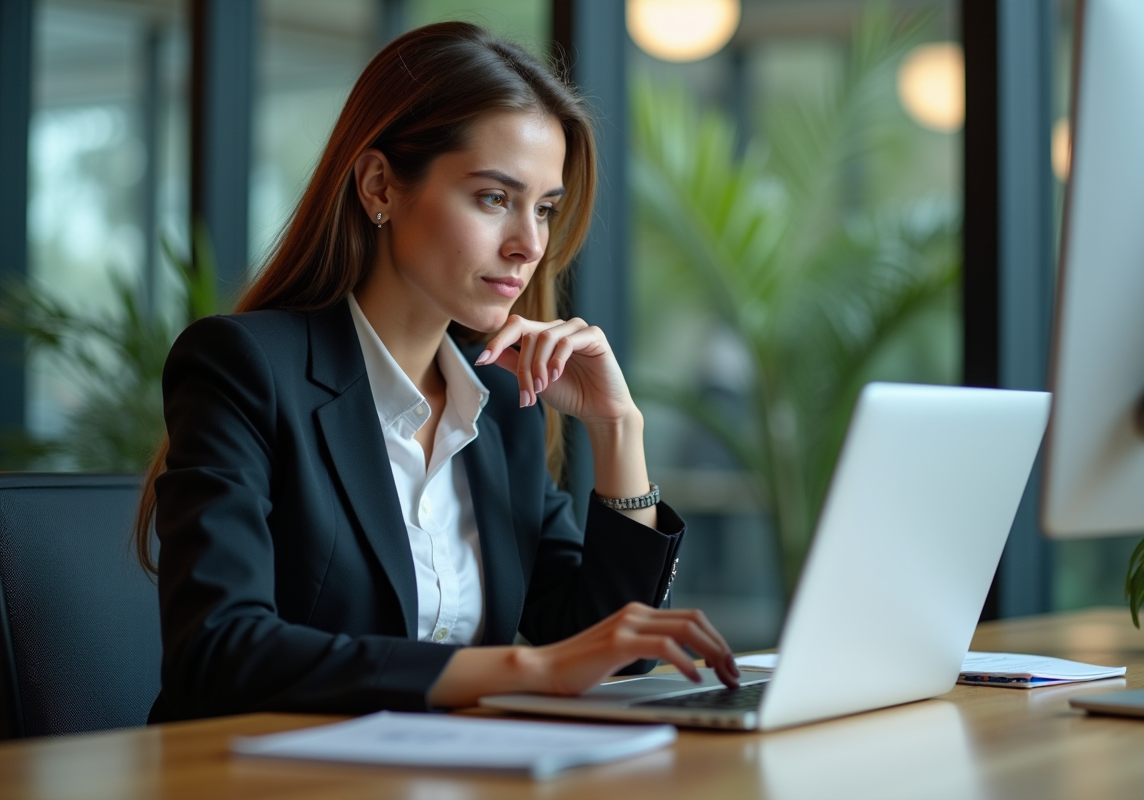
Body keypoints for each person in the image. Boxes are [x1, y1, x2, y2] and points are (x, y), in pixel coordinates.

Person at [135, 21, 740, 723]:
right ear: (380, 187)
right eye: (494, 198)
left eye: (545, 209)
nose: (529, 245)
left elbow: (611, 649)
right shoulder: (245, 368)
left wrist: (617, 430)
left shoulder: (500, 404)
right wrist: (528, 669)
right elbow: (217, 650)